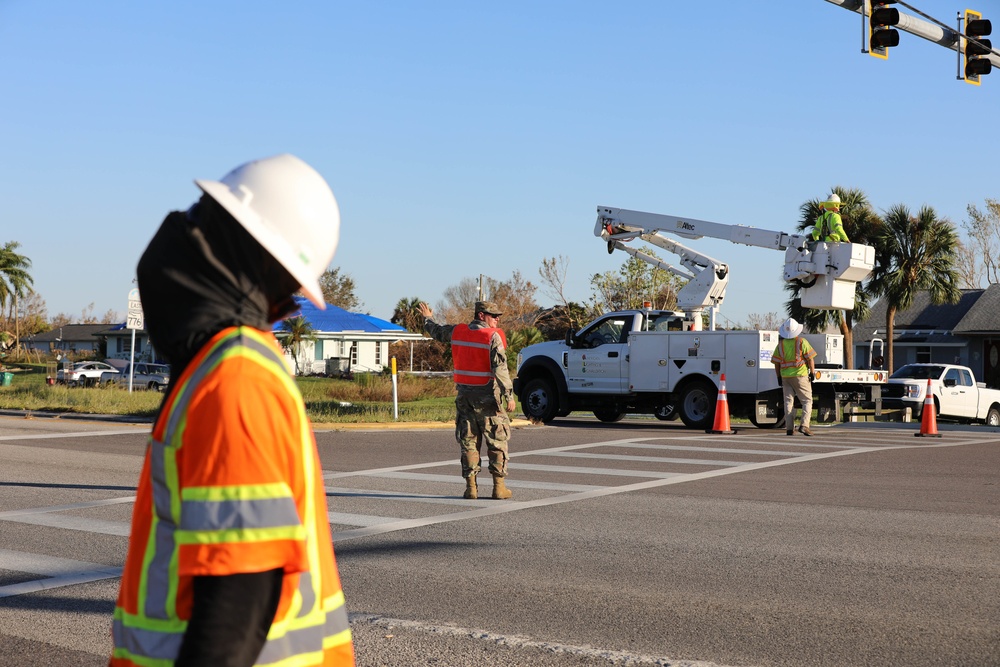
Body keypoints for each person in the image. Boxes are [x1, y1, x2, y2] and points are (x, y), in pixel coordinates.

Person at [111, 154, 355, 666]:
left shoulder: (234, 379)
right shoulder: (226, 363)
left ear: (245, 252)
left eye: (207, 217)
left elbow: (239, 604)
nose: (185, 227)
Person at [418, 300, 516, 500]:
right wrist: (509, 395)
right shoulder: (492, 336)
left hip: (464, 397)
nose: (497, 319)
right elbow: (501, 369)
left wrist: (427, 318)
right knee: (497, 439)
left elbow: (436, 331)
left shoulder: (457, 332)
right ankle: (499, 488)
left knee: (469, 441)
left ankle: (471, 488)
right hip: (488, 396)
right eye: (493, 315)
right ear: (481, 315)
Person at [771, 317, 817, 437]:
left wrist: (778, 377)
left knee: (788, 402)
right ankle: (804, 425)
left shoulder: (780, 345)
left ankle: (790, 428)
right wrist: (812, 373)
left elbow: (776, 363)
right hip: (800, 375)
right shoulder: (802, 342)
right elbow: (810, 359)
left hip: (785, 377)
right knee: (807, 400)